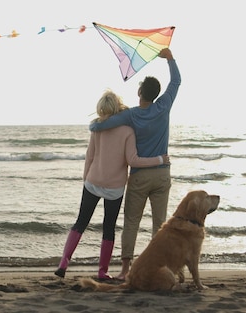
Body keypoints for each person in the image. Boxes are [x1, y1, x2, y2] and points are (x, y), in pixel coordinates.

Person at [55, 90, 170, 280]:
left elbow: (89, 157)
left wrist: (86, 179)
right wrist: (159, 159)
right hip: (114, 188)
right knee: (108, 228)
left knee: (80, 222)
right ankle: (102, 271)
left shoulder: (97, 129)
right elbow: (133, 160)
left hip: (93, 182)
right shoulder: (127, 131)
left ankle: (63, 263)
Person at [89, 48, 181, 280]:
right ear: (157, 94)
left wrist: (93, 126)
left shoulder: (131, 115)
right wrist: (169, 58)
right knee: (160, 224)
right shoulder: (164, 106)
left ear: (139, 92)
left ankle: (125, 270)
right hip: (161, 174)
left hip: (140, 175)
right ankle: (159, 267)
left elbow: (105, 123)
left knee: (131, 222)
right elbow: (177, 81)